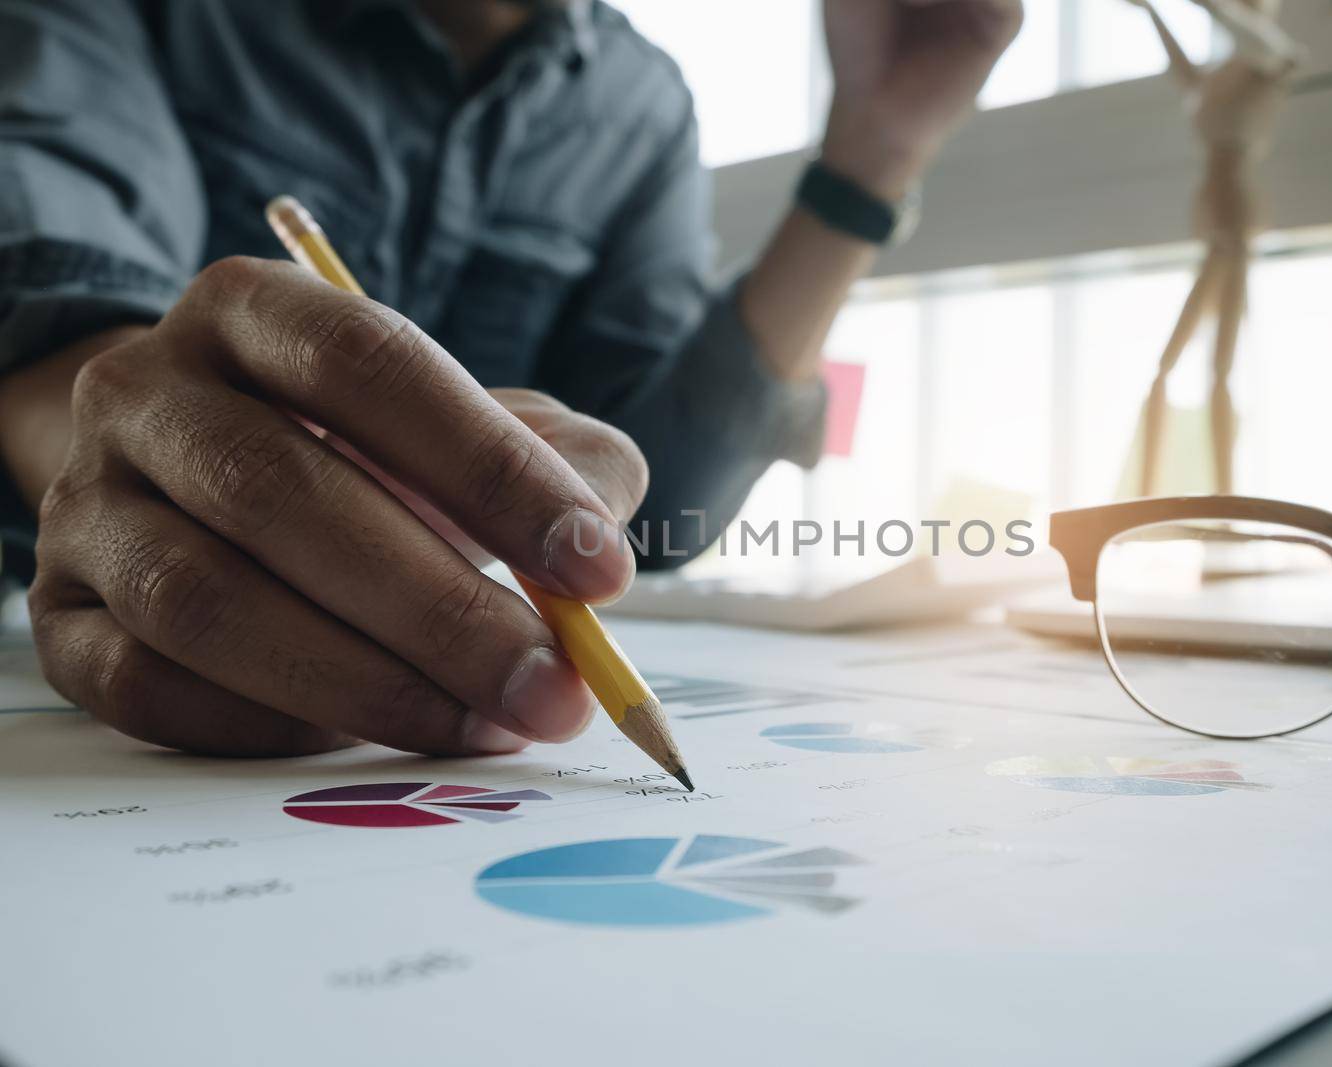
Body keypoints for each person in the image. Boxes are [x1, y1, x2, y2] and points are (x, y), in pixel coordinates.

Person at [0, 0, 1021, 757]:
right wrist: (130, 447)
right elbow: (59, 321)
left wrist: (875, 153)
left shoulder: (640, 99)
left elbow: (665, 494)